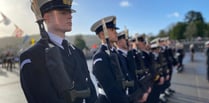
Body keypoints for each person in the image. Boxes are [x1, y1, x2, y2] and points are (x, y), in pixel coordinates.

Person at [20, 0, 98, 103]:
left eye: (70, 12)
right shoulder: (31, 57)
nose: (70, 16)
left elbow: (91, 91)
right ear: (46, 17)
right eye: (63, 12)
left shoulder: (77, 52)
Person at [91, 16, 131, 103]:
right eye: (112, 30)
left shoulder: (115, 53)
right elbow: (109, 87)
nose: (116, 32)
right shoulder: (100, 56)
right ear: (102, 34)